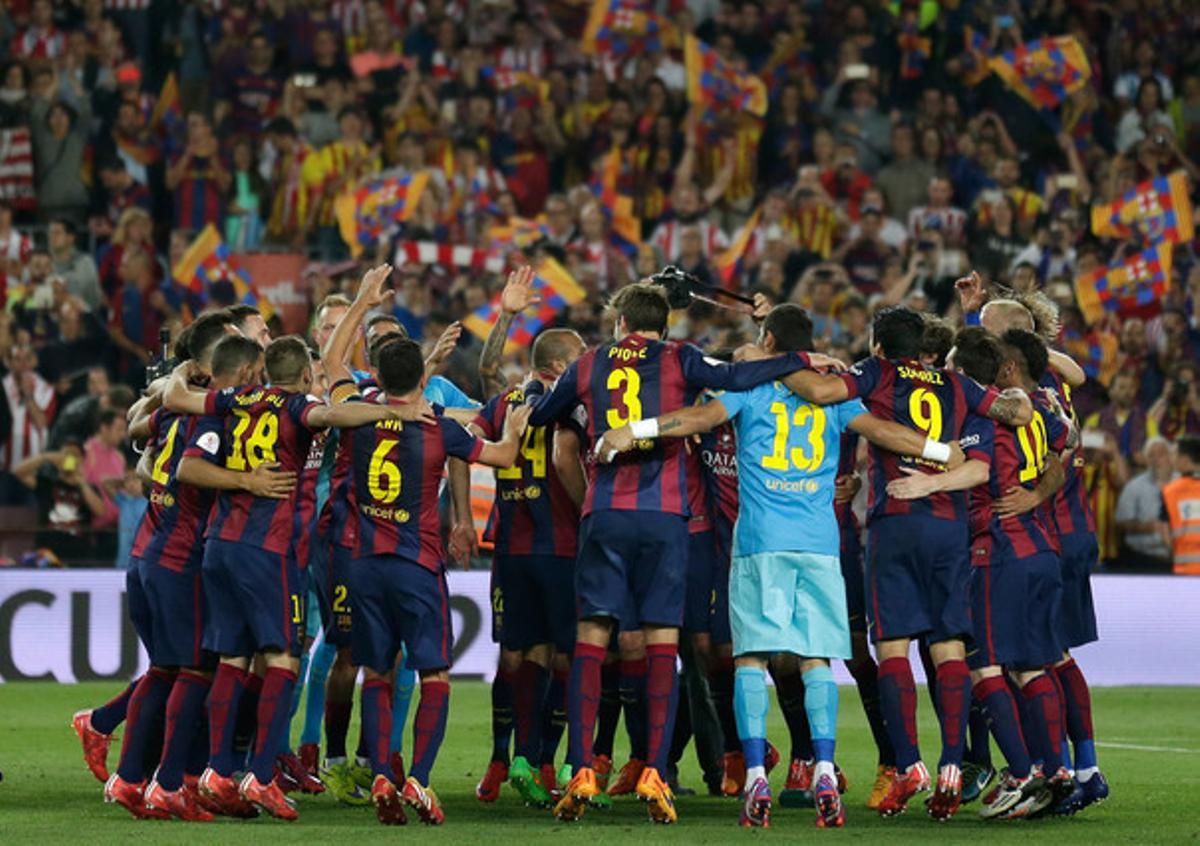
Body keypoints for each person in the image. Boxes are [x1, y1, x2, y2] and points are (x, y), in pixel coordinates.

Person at [595, 303, 964, 828]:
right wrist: (937, 449)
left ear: (767, 341)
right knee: (817, 661)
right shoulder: (835, 398)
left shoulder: (752, 390)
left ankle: (753, 777)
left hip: (760, 542)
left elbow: (698, 419)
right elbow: (883, 432)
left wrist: (639, 428)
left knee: (750, 660)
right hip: (818, 544)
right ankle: (824, 772)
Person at [525, 281, 833, 825]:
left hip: (604, 513)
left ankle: (580, 769)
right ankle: (655, 773)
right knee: (664, 641)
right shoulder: (679, 357)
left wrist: (534, 393)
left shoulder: (588, 363)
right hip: (665, 517)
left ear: (620, 323)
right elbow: (736, 376)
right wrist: (801, 357)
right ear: (663, 326)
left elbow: (540, 414)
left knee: (593, 639)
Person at [755, 306, 1033, 817]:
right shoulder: (955, 383)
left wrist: (768, 362)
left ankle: (909, 765)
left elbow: (819, 393)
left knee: (892, 647)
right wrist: (1018, 398)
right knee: (949, 645)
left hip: (897, 520)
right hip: (949, 526)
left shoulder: (876, 373)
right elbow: (1016, 414)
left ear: (879, 346)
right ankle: (953, 762)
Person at [163, 330, 421, 820]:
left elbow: (180, 416)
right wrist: (393, 411)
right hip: (270, 547)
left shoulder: (234, 400)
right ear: (305, 375)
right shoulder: (296, 405)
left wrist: (180, 371)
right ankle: (261, 776)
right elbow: (330, 414)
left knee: (234, 660)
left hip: (220, 545)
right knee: (284, 659)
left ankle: (219, 771)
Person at [324, 265, 532, 825]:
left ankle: (383, 777)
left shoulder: (356, 414)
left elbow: (332, 364)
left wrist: (361, 304)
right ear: (426, 378)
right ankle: (417, 777)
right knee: (434, 675)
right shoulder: (440, 425)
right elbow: (504, 456)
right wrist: (513, 428)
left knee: (377, 673)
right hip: (417, 566)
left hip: (364, 564)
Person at [888, 328, 1074, 820]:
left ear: (966, 374)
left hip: (998, 550)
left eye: (953, 367)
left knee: (984, 666)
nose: (946, 375)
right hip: (1041, 547)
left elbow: (975, 465)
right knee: (1033, 665)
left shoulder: (978, 416)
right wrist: (1038, 493)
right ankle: (1056, 771)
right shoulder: (1035, 411)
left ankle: (1021, 774)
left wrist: (930, 481)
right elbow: (1069, 441)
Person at [103, 329, 288, 821]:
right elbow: (188, 469)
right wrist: (248, 480)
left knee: (163, 670)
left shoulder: (172, 408)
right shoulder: (215, 415)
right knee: (195, 672)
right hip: (180, 558)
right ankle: (170, 782)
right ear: (246, 374)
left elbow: (141, 434)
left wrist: (171, 381)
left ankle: (129, 779)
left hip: (149, 550)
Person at [471, 267, 587, 806]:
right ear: (561, 366)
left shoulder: (505, 405)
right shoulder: (572, 408)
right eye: (580, 359)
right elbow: (568, 460)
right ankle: (541, 759)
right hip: (561, 549)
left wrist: (508, 314)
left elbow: (488, 368)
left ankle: (504, 759)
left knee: (517, 657)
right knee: (562, 657)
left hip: (512, 552)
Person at [1115, 437, 1175, 571]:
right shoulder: (1134, 487)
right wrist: (1147, 527)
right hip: (1143, 559)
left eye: (1161, 454)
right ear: (1146, 460)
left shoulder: (1186, 484)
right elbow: (1121, 523)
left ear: (1171, 457)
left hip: (1182, 558)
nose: (1156, 459)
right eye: (1151, 455)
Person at [1162, 434, 1200, 575]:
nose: (1171, 460)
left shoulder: (1170, 492)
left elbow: (1165, 534)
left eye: (1174, 455)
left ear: (1184, 460)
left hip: (1185, 571)